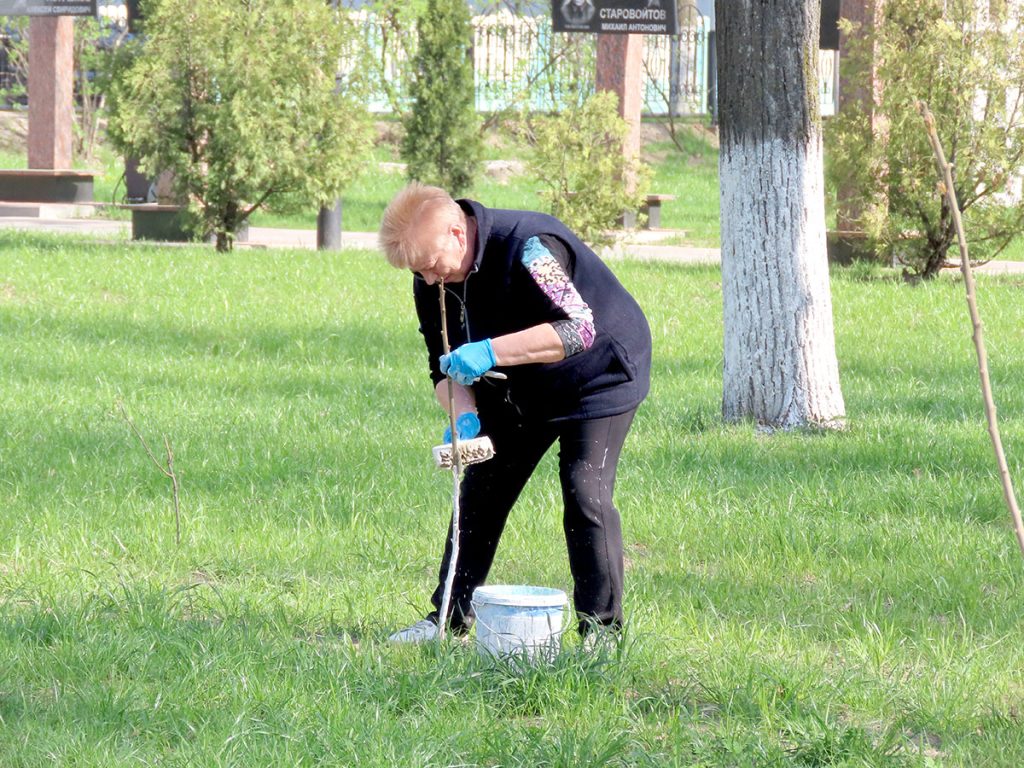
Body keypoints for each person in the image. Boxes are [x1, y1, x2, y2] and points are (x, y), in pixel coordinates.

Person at [378, 182, 652, 643]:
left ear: (457, 235)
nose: (427, 281)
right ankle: (447, 620)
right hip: (520, 386)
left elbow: (577, 330)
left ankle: (602, 633)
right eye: (417, 272)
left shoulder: (529, 247)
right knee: (482, 488)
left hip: (598, 373)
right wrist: (465, 421)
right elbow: (442, 370)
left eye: (430, 267)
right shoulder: (433, 277)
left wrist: (489, 351)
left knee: (584, 490)